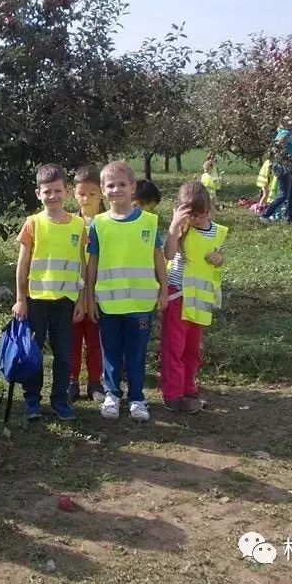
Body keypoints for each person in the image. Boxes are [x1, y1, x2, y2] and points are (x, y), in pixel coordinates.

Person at [86, 161, 168, 423]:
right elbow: (93, 263)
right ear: (102, 189)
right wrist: (89, 296)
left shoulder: (149, 222)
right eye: (110, 185)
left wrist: (164, 290)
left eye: (122, 184)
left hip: (140, 304)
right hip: (109, 303)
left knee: (136, 353)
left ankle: (137, 397)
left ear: (133, 187)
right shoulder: (98, 224)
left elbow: (158, 259)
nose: (116, 189)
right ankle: (112, 394)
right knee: (110, 350)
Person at [12, 164, 84, 421]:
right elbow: (23, 264)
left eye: (57, 190)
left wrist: (82, 300)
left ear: (67, 191)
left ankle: (59, 400)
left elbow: (82, 264)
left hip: (65, 302)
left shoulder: (78, 225)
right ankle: (32, 399)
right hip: (35, 301)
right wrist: (21, 299)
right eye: (47, 192)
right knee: (33, 353)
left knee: (63, 354)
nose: (52, 196)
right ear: (38, 194)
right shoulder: (33, 223)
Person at [161, 182, 227, 414]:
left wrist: (219, 258)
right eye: (193, 215)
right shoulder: (181, 230)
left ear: (210, 209)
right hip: (178, 297)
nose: (198, 219)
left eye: (203, 214)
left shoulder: (218, 231)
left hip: (200, 300)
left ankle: (189, 388)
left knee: (192, 350)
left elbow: (221, 254)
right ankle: (173, 395)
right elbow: (168, 254)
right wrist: (174, 226)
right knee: (174, 349)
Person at [69, 167, 104, 403]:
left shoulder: (107, 222)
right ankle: (72, 381)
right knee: (72, 339)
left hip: (100, 290)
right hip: (72, 291)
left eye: (92, 194)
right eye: (82, 193)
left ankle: (95, 381)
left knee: (95, 339)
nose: (86, 199)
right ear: (74, 193)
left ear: (101, 193)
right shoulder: (69, 222)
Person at [260, 121, 292, 225]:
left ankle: (291, 218)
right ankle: (265, 215)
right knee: (284, 195)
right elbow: (278, 145)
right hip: (284, 166)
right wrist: (287, 157)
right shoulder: (285, 133)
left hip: (290, 167)